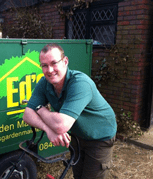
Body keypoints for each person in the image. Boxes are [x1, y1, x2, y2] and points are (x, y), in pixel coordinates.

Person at [23, 43, 117, 179]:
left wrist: (39, 108)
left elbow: (61, 125)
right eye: (44, 65)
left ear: (65, 61)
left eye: (54, 63)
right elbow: (27, 115)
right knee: (78, 174)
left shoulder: (80, 83)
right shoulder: (44, 83)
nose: (49, 70)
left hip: (100, 135)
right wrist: (49, 130)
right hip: (78, 134)